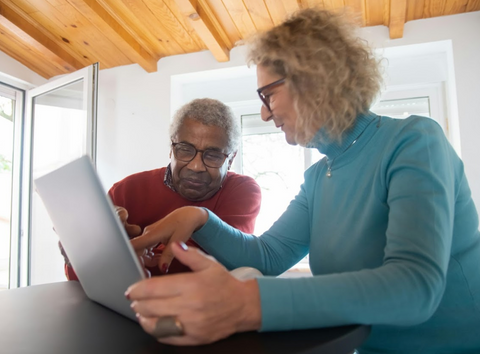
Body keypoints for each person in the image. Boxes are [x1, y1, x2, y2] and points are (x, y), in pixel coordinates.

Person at [125, 8, 480, 354]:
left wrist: (249, 303)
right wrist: (199, 218)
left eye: (269, 95)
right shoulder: (317, 177)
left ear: (314, 81)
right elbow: (268, 255)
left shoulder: (415, 141)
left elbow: (414, 288)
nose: (265, 113)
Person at [63, 98, 261, 280]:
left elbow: (221, 263)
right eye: (185, 149)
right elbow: (79, 278)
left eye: (213, 156)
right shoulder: (126, 191)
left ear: (231, 159)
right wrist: (77, 249)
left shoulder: (242, 191)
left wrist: (121, 255)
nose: (196, 166)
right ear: (171, 148)